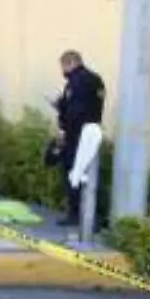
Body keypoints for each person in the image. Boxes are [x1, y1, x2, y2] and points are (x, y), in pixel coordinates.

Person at [52, 50, 107, 227]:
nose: (63, 71)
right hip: (92, 133)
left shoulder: (76, 81)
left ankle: (75, 214)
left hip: (77, 135)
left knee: (73, 174)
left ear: (71, 63)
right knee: (90, 174)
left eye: (63, 66)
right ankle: (96, 216)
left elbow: (75, 110)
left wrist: (62, 117)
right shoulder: (96, 79)